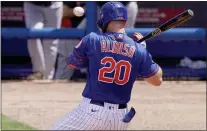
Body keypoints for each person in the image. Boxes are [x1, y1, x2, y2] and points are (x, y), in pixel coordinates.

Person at [51, 2, 162, 130]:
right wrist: (143, 52)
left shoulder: (92, 39)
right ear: (125, 21)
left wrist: (97, 56)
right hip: (121, 118)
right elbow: (157, 80)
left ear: (104, 20)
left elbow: (72, 63)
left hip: (92, 112)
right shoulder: (138, 49)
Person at [54, 1, 139, 81]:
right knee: (74, 40)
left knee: (121, 46)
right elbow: (64, 11)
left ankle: (122, 77)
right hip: (99, 7)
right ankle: (63, 79)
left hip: (125, 6)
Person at [24, 1, 63, 80]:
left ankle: (48, 77)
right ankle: (39, 72)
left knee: (51, 42)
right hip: (32, 5)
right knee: (33, 34)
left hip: (54, 5)